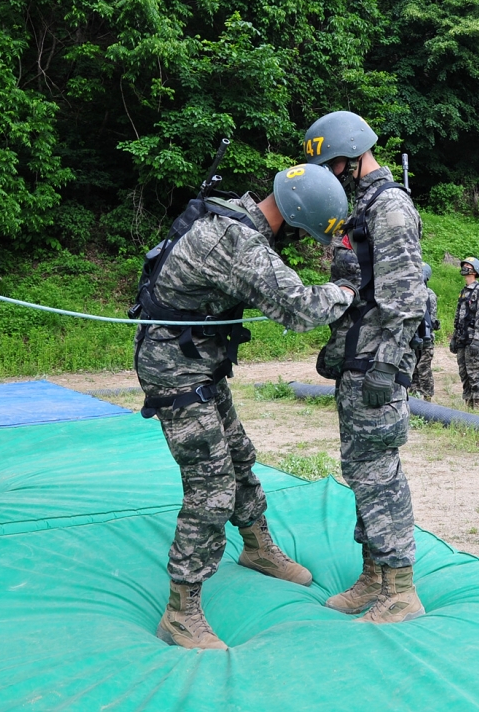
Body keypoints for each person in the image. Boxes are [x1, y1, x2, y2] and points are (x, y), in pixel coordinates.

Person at [134, 163, 354, 649]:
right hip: (176, 369)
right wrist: (346, 291)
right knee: (210, 485)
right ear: (298, 220)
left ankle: (256, 547)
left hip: (197, 361)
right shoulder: (238, 242)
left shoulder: (235, 216)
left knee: (238, 455)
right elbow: (297, 306)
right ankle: (181, 610)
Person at [302, 110, 426, 624]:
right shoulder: (361, 208)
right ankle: (373, 577)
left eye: (330, 165)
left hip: (377, 363)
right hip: (357, 358)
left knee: (378, 473)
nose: (327, 176)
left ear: (351, 158)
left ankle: (400, 589)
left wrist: (386, 363)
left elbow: (406, 294)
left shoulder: (390, 207)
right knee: (360, 470)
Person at [451, 256, 479, 408]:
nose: (465, 267)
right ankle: (468, 402)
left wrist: (477, 339)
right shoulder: (463, 291)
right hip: (462, 338)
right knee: (464, 373)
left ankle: (478, 404)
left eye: (468, 265)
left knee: (475, 372)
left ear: (475, 271)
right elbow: (458, 316)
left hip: (473, 339)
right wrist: (455, 337)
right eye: (464, 265)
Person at [408, 262, 439, 402]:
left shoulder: (429, 294)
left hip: (426, 337)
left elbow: (431, 318)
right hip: (413, 336)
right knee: (413, 367)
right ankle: (414, 393)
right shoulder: (411, 292)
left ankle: (427, 396)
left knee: (423, 367)